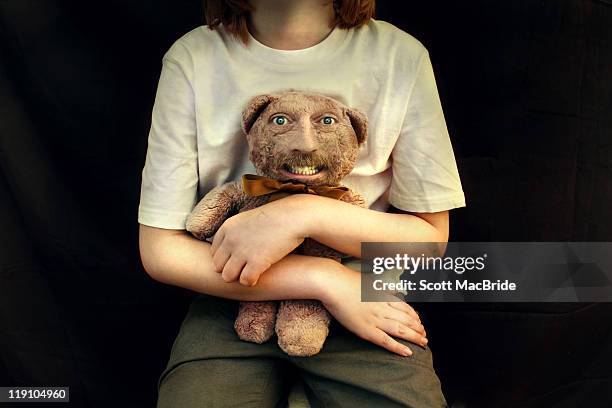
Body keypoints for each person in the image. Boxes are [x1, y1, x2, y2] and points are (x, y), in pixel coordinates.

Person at [138, 0, 465, 406]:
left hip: (363, 294)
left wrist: (303, 213)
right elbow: (160, 249)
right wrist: (322, 279)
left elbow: (430, 240)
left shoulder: (400, 57)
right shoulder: (192, 58)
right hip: (230, 288)